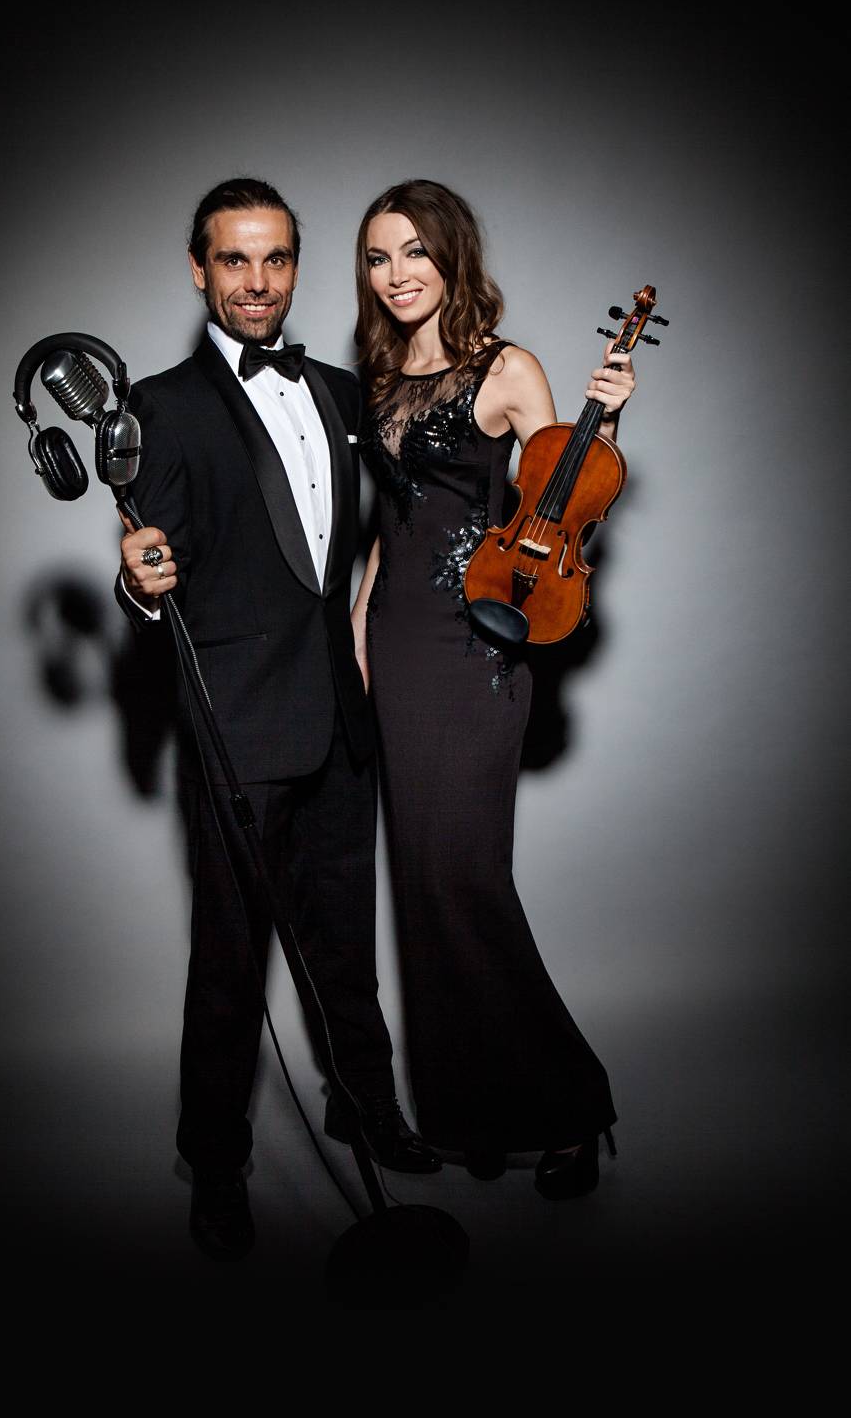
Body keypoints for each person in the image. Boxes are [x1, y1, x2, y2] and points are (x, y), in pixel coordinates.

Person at [116, 177, 440, 1261]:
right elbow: (149, 561)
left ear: (296, 267)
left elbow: (396, 527)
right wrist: (138, 579)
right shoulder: (160, 405)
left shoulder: (342, 392)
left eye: (277, 259)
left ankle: (367, 1108)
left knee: (347, 942)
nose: (257, 282)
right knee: (229, 965)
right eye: (234, 260)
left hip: (341, 719)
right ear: (198, 269)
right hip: (238, 730)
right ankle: (216, 1165)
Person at [351, 179, 635, 1195]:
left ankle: (572, 1109)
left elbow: (558, 507)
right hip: (395, 643)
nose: (397, 273)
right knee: (418, 886)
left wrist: (607, 421)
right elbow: (388, 525)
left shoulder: (506, 368)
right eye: (378, 256)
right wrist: (358, 624)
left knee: (462, 879)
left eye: (414, 251)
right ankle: (470, 1113)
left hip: (477, 646)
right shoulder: (378, 378)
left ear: (451, 256)